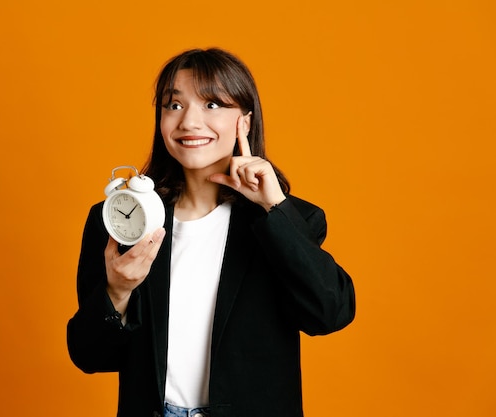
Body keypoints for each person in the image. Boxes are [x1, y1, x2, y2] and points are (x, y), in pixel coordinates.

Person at [67, 47, 356, 417]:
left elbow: (331, 314)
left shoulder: (288, 220)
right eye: (174, 105)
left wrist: (274, 208)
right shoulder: (122, 221)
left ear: (245, 123)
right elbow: (89, 356)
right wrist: (118, 291)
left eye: (212, 105)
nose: (189, 121)